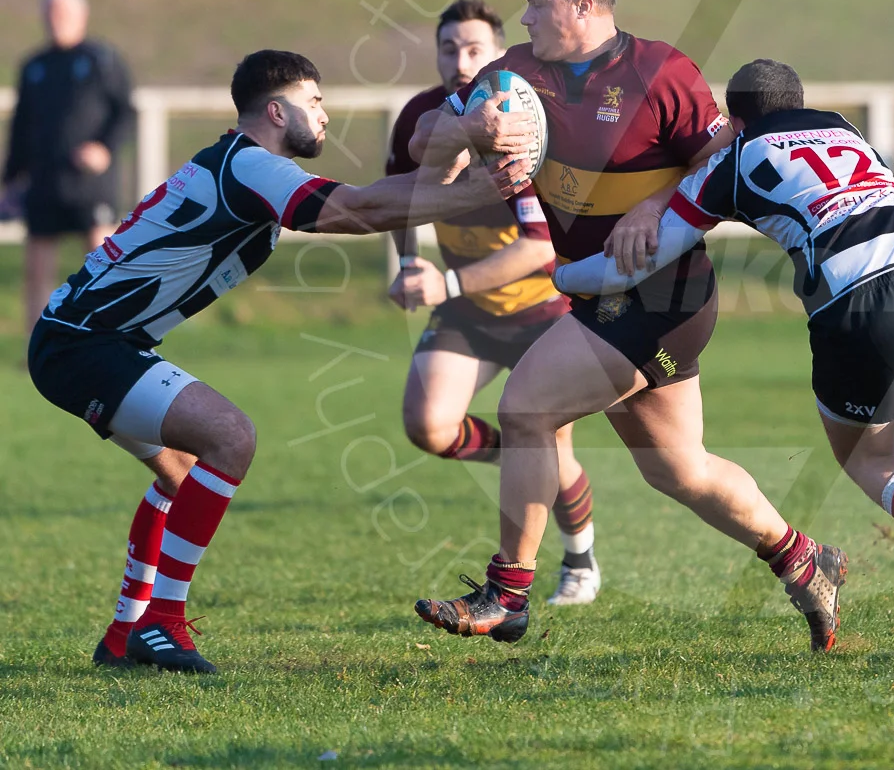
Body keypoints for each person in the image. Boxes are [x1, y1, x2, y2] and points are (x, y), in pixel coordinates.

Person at [29, 49, 530, 674]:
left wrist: (457, 173)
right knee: (231, 437)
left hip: (83, 339)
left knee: (182, 476)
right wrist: (476, 189)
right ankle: (161, 624)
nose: (324, 115)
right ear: (276, 110)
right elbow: (356, 212)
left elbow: (376, 196)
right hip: (85, 344)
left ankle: (126, 633)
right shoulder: (252, 166)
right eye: (313, 102)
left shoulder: (242, 164)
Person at [407, 0, 846, 652]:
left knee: (526, 407)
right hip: (597, 298)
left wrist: (659, 206)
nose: (522, 15)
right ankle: (804, 558)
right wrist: (470, 130)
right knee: (681, 470)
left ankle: (508, 595)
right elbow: (430, 134)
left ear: (583, 6)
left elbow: (723, 156)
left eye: (536, 1)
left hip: (665, 299)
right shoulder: (513, 72)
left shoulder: (661, 73)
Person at [555, 59, 894, 656]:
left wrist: (560, 273)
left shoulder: (735, 159)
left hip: (854, 297)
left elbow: (640, 258)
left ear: (734, 119)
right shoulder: (842, 126)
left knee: (869, 456)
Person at [386, 0, 601, 606]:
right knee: (428, 425)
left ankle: (580, 559)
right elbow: (398, 197)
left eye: (475, 49)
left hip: (545, 312)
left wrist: (447, 284)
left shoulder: (520, 122)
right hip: (471, 312)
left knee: (553, 445)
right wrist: (407, 261)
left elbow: (539, 249)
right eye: (449, 48)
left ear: (499, 54)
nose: (461, 61)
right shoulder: (420, 118)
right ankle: (523, 451)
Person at [4, 0, 134, 327]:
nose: (55, 20)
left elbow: (125, 113)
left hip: (89, 184)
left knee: (102, 263)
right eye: (51, 12)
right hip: (45, 181)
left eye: (63, 13)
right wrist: (10, 178)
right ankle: (38, 346)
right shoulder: (35, 66)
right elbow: (21, 126)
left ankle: (109, 335)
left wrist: (103, 148)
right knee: (37, 269)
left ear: (81, 16)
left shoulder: (101, 60)